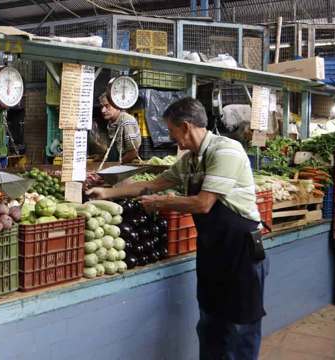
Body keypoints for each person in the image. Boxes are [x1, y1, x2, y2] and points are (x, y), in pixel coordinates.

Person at [87, 97, 268, 360]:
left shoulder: (226, 151)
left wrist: (163, 202)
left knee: (239, 327)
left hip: (241, 251)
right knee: (210, 323)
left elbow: (204, 203)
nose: (172, 138)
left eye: (172, 131)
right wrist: (108, 192)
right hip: (212, 251)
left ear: (185, 127)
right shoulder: (191, 160)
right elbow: (154, 184)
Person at [99, 92, 142, 163]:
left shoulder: (126, 121)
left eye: (107, 106)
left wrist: (116, 165)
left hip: (125, 166)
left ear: (117, 105)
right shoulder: (111, 123)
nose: (103, 110)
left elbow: (133, 152)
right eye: (101, 106)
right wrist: (102, 157)